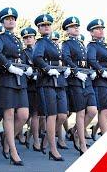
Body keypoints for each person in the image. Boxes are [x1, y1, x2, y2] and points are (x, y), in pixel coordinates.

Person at [0, 7, 32, 166]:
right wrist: (8, 65)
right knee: (8, 115)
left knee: (23, 114)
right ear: (2, 21)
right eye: (7, 18)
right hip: (6, 78)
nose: (10, 20)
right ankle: (12, 150)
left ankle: (7, 140)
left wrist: (26, 66)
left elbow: (21, 56)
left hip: (19, 78)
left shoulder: (16, 39)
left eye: (13, 18)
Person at [33, 14, 69, 161]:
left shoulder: (53, 43)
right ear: (39, 28)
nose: (46, 27)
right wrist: (47, 68)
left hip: (59, 81)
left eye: (48, 24)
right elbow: (37, 58)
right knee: (52, 115)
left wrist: (64, 68)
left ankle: (47, 139)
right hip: (47, 82)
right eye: (43, 25)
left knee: (63, 115)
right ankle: (53, 150)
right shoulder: (41, 42)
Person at [61, 16, 98, 155]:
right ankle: (82, 144)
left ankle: (76, 132)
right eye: (72, 26)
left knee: (93, 110)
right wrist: (76, 72)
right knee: (81, 112)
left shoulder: (82, 43)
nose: (76, 28)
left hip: (86, 79)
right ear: (67, 30)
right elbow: (66, 59)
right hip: (76, 81)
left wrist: (92, 71)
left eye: (77, 26)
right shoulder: (67, 44)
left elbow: (86, 60)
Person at [20, 27, 41, 152]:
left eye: (30, 37)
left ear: (34, 38)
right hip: (29, 85)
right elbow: (23, 67)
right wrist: (31, 74)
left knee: (36, 115)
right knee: (29, 115)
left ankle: (32, 137)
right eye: (26, 38)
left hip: (40, 83)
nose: (28, 39)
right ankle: (32, 138)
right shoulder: (23, 53)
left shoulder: (39, 51)